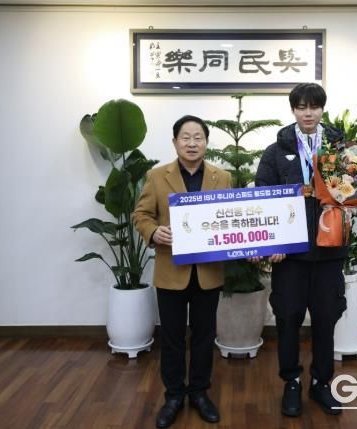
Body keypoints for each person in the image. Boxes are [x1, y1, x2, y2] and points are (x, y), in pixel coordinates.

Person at [254, 83, 347, 416]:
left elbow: (355, 189)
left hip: (329, 250)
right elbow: (263, 196)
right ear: (293, 109)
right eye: (302, 107)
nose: (308, 113)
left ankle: (321, 382)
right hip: (290, 255)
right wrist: (274, 242)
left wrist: (349, 204)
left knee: (326, 317)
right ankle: (291, 381)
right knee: (288, 316)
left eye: (314, 106)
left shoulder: (341, 149)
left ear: (322, 108)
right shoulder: (275, 151)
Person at [133, 115, 232, 428]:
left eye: (198, 137)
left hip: (208, 271)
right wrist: (153, 232)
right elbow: (141, 215)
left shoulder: (222, 177)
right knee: (172, 338)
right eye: (185, 137)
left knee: (204, 337)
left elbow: (230, 217)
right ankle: (174, 395)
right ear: (175, 142)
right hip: (170, 271)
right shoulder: (156, 176)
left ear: (206, 142)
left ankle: (200, 392)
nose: (192, 143)